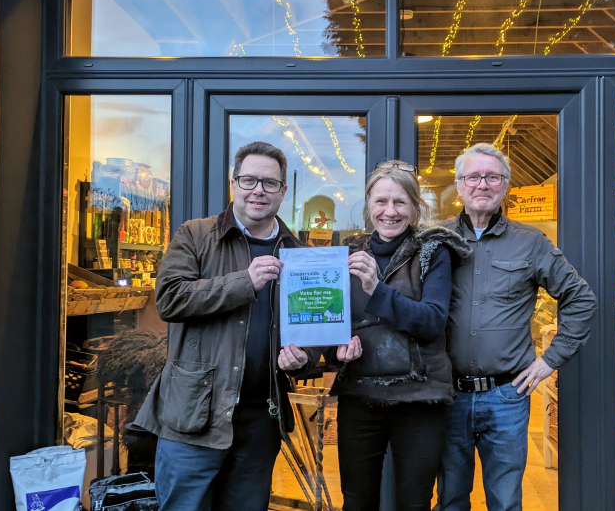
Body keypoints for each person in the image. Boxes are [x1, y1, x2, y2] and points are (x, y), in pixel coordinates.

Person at [133, 141, 341, 511]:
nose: (258, 190)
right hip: (194, 417)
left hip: (260, 418)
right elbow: (170, 299)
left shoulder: (298, 253)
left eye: (269, 183)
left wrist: (303, 359)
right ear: (233, 184)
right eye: (249, 180)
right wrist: (244, 282)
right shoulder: (196, 235)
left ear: (283, 191)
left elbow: (310, 334)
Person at [436, 144, 598, 511]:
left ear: (505, 186)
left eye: (493, 177)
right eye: (473, 177)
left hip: (506, 395)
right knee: (449, 499)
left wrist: (549, 361)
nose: (483, 184)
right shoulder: (436, 240)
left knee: (506, 501)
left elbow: (581, 299)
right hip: (447, 394)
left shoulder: (531, 243)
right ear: (459, 186)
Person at [330, 160, 471, 511]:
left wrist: (376, 288)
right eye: (380, 202)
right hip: (359, 396)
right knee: (356, 500)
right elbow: (332, 323)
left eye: (399, 202)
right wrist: (336, 351)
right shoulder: (347, 253)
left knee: (414, 501)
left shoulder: (433, 251)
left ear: (415, 207)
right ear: (367, 206)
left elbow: (432, 321)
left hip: (419, 397)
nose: (389, 212)